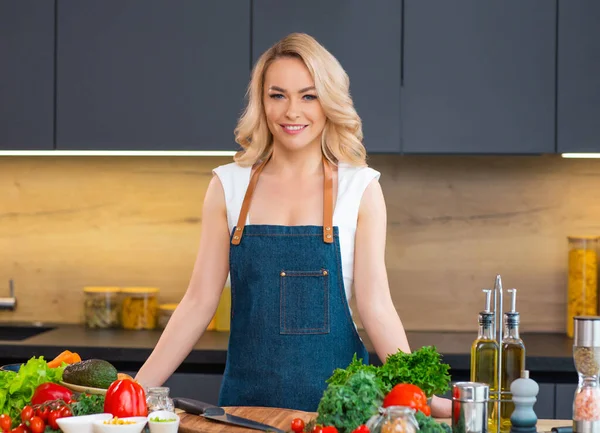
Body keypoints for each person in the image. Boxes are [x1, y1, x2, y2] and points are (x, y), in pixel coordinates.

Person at [135, 32, 451, 417]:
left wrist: (419, 396)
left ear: (328, 101)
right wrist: (135, 392)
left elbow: (377, 307)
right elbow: (199, 302)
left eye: (308, 95)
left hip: (339, 415)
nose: (292, 112)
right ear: (261, 101)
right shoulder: (228, 185)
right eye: (277, 95)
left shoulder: (360, 188)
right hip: (245, 411)